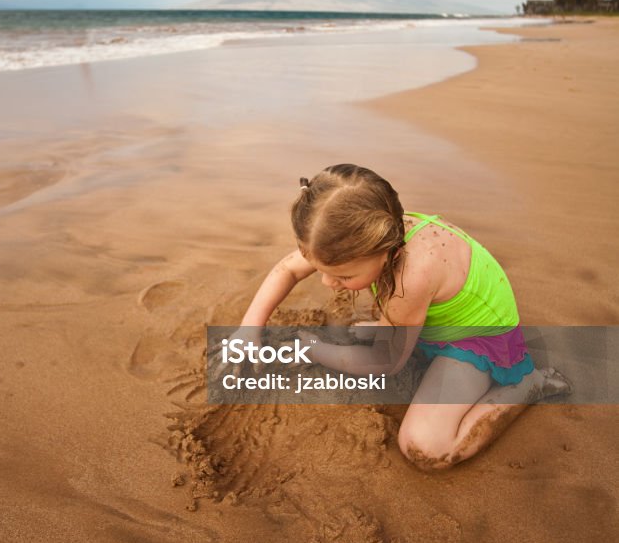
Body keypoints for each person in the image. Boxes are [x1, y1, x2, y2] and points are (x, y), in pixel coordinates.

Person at [236, 163, 569, 472]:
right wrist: (249, 327)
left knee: (425, 449)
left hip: (474, 336)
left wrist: (312, 349)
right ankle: (403, 331)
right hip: (431, 316)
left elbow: (385, 363)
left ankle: (529, 386)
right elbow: (288, 268)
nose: (326, 283)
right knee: (366, 334)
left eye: (342, 276)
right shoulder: (362, 226)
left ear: (384, 250)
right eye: (322, 270)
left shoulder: (411, 276)